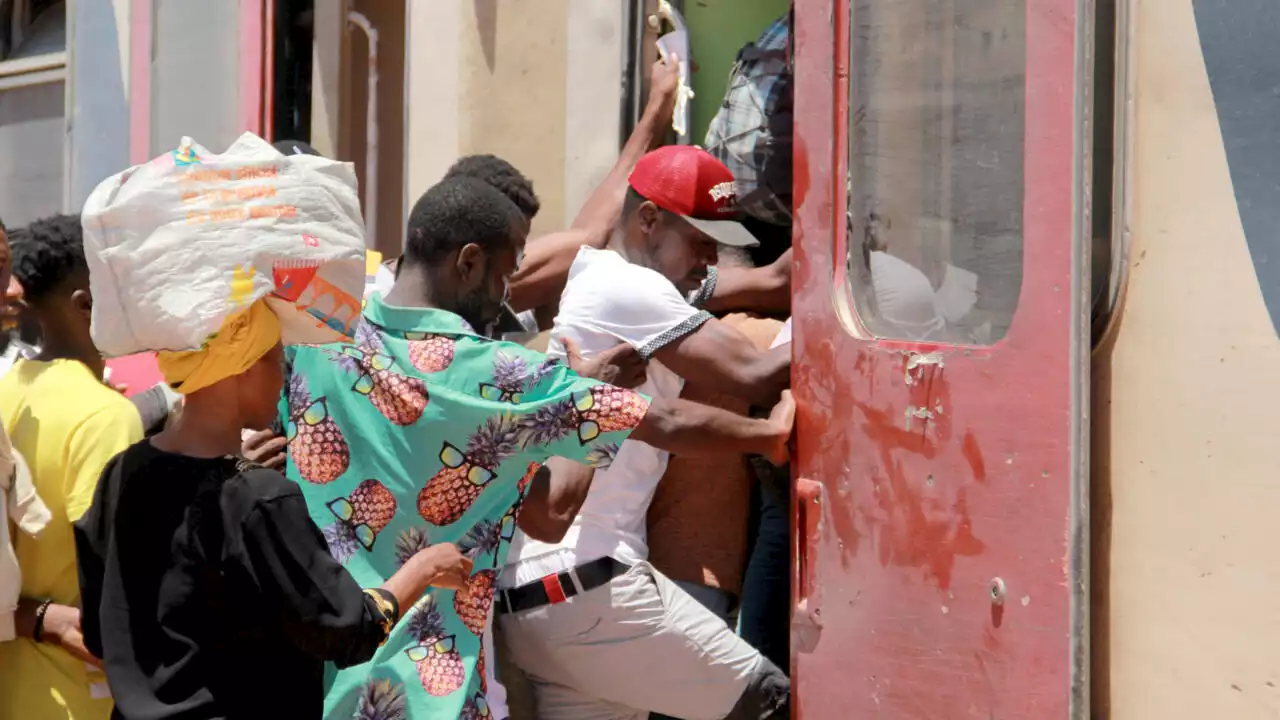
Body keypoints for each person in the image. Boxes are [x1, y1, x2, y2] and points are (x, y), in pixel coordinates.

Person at [275, 176, 791, 719]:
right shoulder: (499, 374)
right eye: (505, 273)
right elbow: (576, 493)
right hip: (435, 692)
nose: (507, 296)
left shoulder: (317, 349)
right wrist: (766, 435)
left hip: (322, 679)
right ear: (469, 263)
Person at [497, 145, 792, 720]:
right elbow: (752, 374)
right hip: (591, 590)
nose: (710, 260)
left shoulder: (615, 280)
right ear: (648, 219)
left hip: (541, 600)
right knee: (770, 703)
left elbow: (773, 280)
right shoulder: (631, 289)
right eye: (700, 240)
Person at [74, 298, 475, 717]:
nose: (283, 381)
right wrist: (426, 567)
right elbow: (345, 629)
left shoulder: (124, 471)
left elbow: (102, 632)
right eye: (277, 362)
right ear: (244, 367)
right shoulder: (258, 498)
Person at [0, 215, 143, 719]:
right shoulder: (105, 415)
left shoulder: (4, 392)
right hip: (75, 695)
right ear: (86, 303)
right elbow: (120, 587)